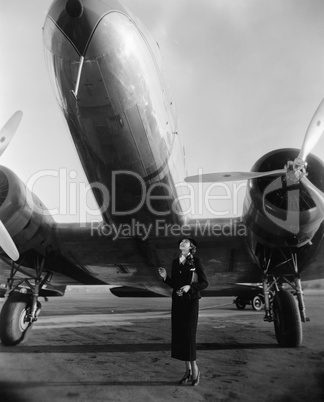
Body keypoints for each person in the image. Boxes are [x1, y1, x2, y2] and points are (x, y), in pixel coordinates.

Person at [158, 237, 208, 386]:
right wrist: (165, 277)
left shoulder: (196, 261)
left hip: (191, 302)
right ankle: (187, 371)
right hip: (178, 302)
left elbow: (205, 283)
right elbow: (175, 284)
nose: (182, 243)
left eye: (185, 242)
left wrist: (190, 288)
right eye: (181, 241)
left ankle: (195, 370)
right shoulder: (175, 262)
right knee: (181, 336)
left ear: (191, 247)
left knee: (189, 335)